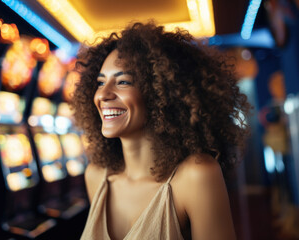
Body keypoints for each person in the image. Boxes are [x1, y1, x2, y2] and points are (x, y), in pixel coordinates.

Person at [71, 21, 250, 240]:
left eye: (123, 81)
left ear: (160, 91)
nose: (103, 95)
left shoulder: (196, 175)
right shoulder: (96, 176)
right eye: (100, 83)